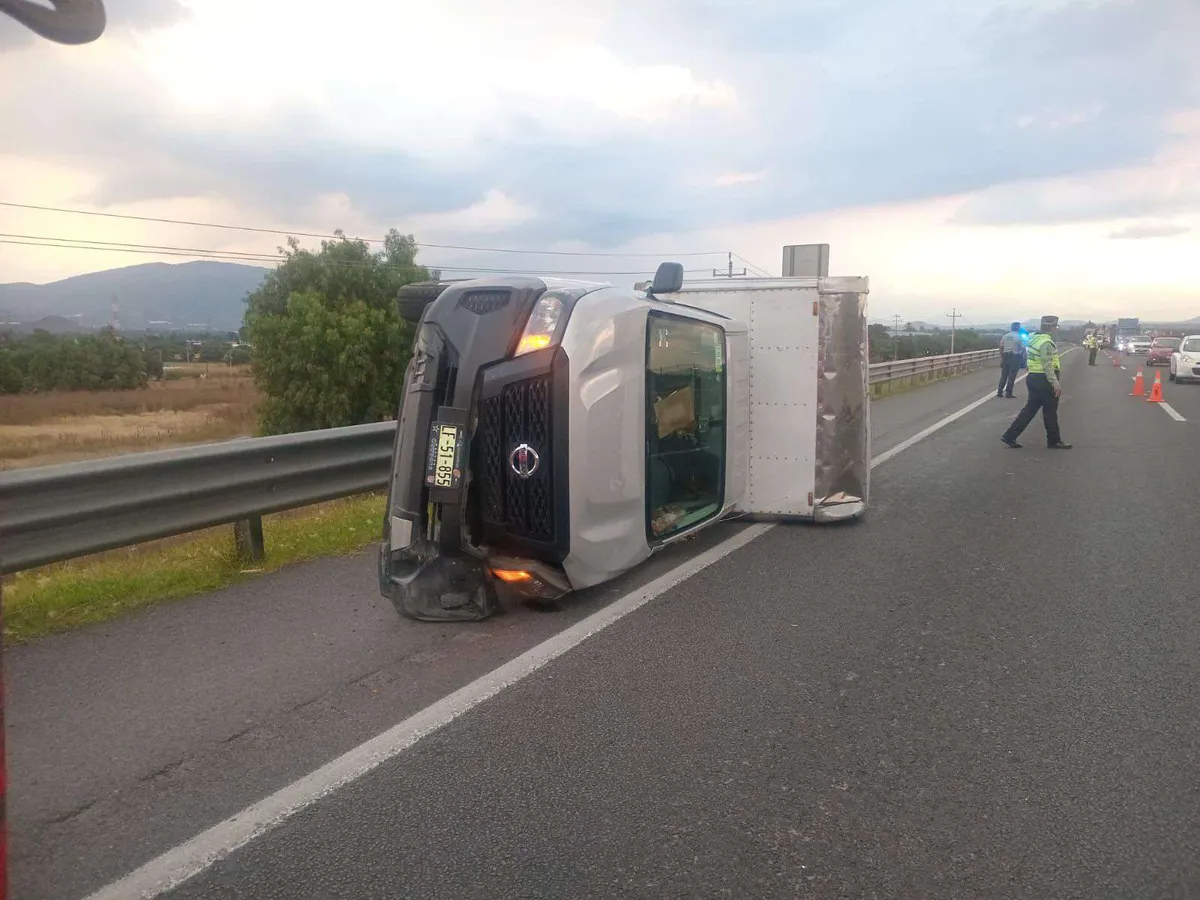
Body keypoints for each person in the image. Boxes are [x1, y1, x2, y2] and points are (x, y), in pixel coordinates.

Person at [1001, 315, 1072, 449]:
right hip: (1044, 380)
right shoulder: (1046, 343)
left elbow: (1029, 356)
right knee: (1050, 411)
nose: (1057, 329)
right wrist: (1055, 383)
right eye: (1056, 327)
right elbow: (1047, 365)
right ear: (1051, 327)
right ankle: (1053, 440)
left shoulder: (1033, 338)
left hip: (1033, 377)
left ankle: (1010, 436)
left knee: (1030, 409)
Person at [997, 321, 1023, 398]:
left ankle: (999, 391)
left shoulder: (1005, 336)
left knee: (1004, 375)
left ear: (1011, 328)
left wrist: (1002, 357)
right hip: (1015, 357)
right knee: (1012, 376)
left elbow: (1001, 347)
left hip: (1005, 356)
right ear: (1018, 328)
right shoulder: (1019, 337)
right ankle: (1008, 393)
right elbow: (1023, 348)